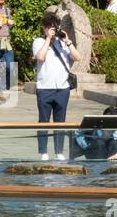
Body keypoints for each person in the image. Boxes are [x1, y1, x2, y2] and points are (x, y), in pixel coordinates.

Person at [32, 11, 81, 161]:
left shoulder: (63, 44)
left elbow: (78, 57)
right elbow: (40, 57)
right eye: (50, 27)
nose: (53, 30)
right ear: (44, 28)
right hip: (44, 88)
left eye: (55, 27)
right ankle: (43, 151)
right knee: (43, 121)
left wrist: (68, 41)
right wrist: (48, 38)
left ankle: (59, 150)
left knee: (60, 122)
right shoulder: (39, 42)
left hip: (62, 88)